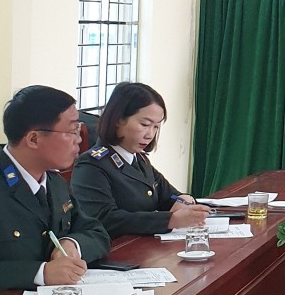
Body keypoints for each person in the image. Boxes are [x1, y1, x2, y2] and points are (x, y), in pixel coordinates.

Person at [0, 84, 110, 295]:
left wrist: (72, 244)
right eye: (71, 131)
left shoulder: (54, 182)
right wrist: (39, 273)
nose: (79, 139)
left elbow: (97, 232)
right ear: (34, 139)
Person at [71, 82, 208, 239]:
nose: (150, 134)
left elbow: (169, 196)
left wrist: (184, 200)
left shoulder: (138, 159)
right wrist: (170, 220)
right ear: (118, 120)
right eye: (145, 124)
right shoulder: (91, 165)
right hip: (117, 249)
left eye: (156, 127)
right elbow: (104, 219)